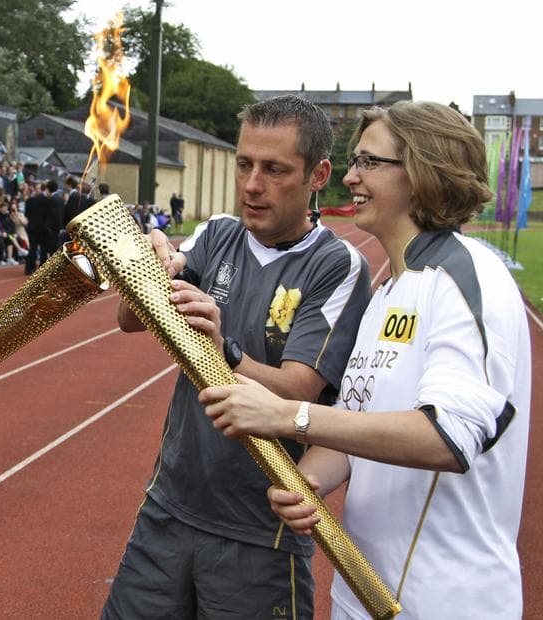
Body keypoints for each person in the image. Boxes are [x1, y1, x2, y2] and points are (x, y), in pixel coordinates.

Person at [202, 101, 531, 619]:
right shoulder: (387, 294)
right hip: (363, 591)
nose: (351, 175)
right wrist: (311, 479)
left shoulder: (470, 277)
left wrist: (288, 416)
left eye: (370, 162)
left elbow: (448, 435)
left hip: (445, 601)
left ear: (424, 172)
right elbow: (359, 426)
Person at [102, 95, 371, 619]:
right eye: (244, 164)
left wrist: (223, 350)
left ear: (318, 175)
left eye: (274, 170)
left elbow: (297, 392)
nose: (251, 184)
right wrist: (144, 273)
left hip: (259, 532)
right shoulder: (218, 233)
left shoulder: (337, 266)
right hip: (168, 510)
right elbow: (128, 320)